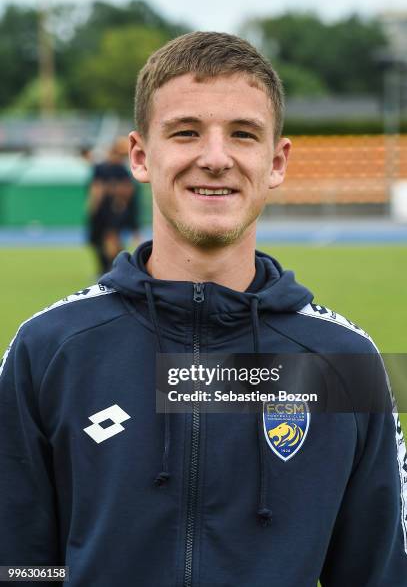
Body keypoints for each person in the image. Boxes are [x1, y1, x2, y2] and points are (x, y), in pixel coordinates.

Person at [0, 31, 406, 587]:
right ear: (142, 156)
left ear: (277, 160)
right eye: (186, 132)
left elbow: (375, 571)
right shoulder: (49, 350)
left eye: (242, 134)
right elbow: (18, 563)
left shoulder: (341, 362)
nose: (214, 159)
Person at [87, 137, 139, 274]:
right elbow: (96, 190)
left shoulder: (121, 170)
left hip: (113, 210)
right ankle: (110, 267)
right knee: (100, 241)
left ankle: (115, 267)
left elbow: (127, 190)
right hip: (103, 211)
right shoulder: (102, 168)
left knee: (112, 238)